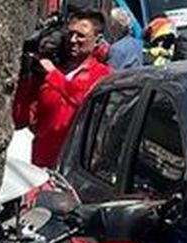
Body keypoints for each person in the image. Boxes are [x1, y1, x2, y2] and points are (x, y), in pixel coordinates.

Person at [11, 9, 112, 169]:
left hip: (75, 168)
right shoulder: (53, 70)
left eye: (80, 36)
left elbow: (82, 99)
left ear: (97, 40)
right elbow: (22, 119)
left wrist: (53, 74)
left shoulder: (103, 74)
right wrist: (27, 78)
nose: (73, 40)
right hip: (42, 163)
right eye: (70, 34)